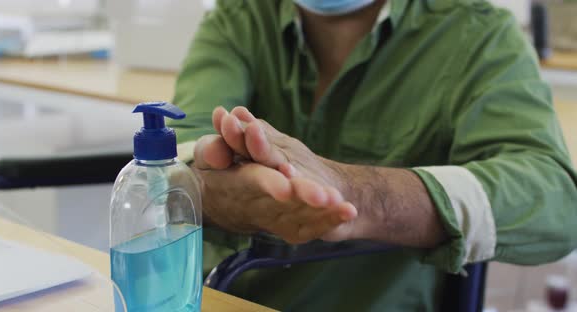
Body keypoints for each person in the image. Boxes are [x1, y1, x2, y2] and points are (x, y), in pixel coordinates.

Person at [169, 0, 577, 310]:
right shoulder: (239, 16)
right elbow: (182, 149)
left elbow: (556, 202)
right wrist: (211, 183)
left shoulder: (476, 33)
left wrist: (360, 194)